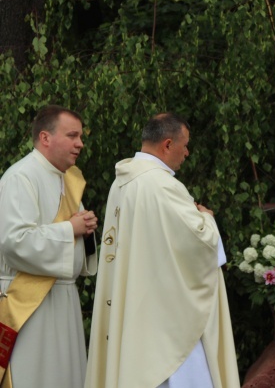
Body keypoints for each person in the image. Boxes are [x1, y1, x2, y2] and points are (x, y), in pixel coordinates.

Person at [85, 113, 240, 388]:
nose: (187, 152)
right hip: (168, 317)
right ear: (167, 144)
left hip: (139, 306)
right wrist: (207, 218)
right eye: (185, 144)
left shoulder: (121, 182)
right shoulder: (162, 185)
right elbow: (200, 242)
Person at [0, 105, 98, 388]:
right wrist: (71, 229)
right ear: (45, 138)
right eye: (72, 135)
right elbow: (15, 242)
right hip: (28, 305)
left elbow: (72, 238)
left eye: (80, 136)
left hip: (62, 299)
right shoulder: (21, 177)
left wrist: (86, 229)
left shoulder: (67, 181)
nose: (80, 143)